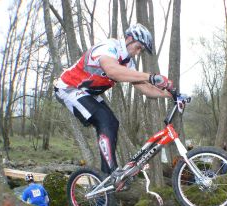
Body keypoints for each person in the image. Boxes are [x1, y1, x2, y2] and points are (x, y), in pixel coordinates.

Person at [54, 23, 173, 176]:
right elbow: (112, 71)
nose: (137, 53)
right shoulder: (109, 47)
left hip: (87, 93)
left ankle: (106, 178)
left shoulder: (128, 62)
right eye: (137, 47)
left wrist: (169, 94)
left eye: (140, 50)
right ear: (129, 39)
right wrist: (151, 77)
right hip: (68, 88)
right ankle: (111, 173)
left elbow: (145, 88)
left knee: (112, 123)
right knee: (104, 120)